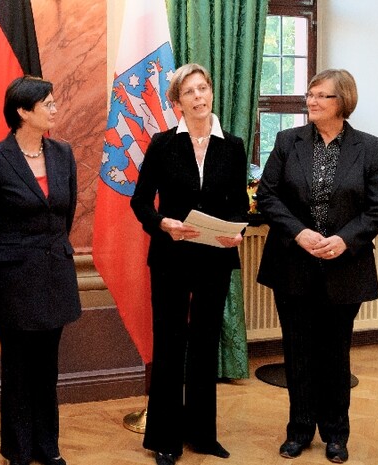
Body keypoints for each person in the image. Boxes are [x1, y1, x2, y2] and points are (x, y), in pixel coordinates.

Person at [255, 69, 378, 463]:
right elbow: (268, 196)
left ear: (343, 101)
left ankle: (336, 434)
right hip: (293, 263)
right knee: (296, 351)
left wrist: (344, 240)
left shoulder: (369, 147)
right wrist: (299, 233)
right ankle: (298, 431)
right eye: (309, 95)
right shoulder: (287, 141)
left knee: (335, 353)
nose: (311, 101)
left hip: (344, 266)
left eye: (321, 96)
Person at [130, 63, 249, 465]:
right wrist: (162, 223)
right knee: (169, 344)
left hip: (215, 258)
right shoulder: (163, 144)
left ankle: (203, 435)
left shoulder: (233, 146)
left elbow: (239, 204)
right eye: (189, 92)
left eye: (203, 89)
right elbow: (140, 202)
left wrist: (238, 231)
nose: (199, 97)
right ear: (177, 102)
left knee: (204, 344)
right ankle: (165, 439)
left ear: (211, 93)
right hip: (171, 258)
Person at [0, 76, 80, 465]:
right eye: (47, 103)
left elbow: (65, 215)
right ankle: (17, 450)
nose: (54, 108)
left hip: (55, 274)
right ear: (22, 111)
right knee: (17, 369)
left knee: (47, 368)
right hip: (13, 279)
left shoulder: (64, 153)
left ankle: (48, 449)